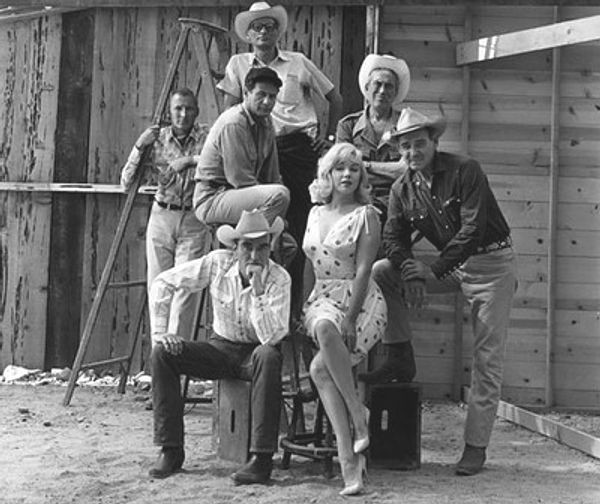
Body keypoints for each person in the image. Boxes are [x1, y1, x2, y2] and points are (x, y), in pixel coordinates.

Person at [371, 107, 518, 476]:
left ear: (435, 142)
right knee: (383, 272)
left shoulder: (466, 170)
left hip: (492, 266)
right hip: (452, 269)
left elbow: (471, 231)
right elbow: (393, 239)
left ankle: (475, 447)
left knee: (487, 358)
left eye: (419, 144)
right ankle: (399, 353)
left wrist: (431, 269)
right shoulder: (402, 188)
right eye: (405, 147)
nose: (412, 153)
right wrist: (414, 275)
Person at [217, 1, 344, 317]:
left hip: (296, 152)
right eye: (257, 26)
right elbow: (229, 113)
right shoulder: (238, 64)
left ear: (278, 31)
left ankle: (293, 316)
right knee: (254, 230)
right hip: (255, 152)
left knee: (299, 233)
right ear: (249, 33)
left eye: (270, 26)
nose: (263, 32)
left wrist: (328, 140)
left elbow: (334, 98)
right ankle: (249, 313)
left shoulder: (298, 62)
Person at [148, 209, 291, 485]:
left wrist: (258, 292)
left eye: (262, 247)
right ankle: (171, 449)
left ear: (270, 247)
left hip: (257, 352)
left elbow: (272, 336)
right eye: (247, 247)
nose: (254, 256)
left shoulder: (279, 278)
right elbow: (163, 282)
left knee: (268, 356)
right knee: (162, 353)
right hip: (221, 348)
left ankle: (261, 460)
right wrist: (161, 333)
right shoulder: (217, 263)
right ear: (234, 248)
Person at [302, 143, 387, 495]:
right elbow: (309, 263)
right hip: (321, 299)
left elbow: (366, 268)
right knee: (322, 324)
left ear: (361, 176)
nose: (348, 174)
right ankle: (357, 414)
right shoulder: (314, 213)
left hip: (361, 301)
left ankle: (350, 465)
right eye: (340, 168)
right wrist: (302, 307)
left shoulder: (367, 215)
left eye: (354, 169)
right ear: (329, 174)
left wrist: (351, 318)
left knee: (320, 370)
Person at [120, 88, 211, 344]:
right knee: (158, 286)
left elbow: (222, 158)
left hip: (194, 217)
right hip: (162, 214)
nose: (183, 114)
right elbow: (126, 183)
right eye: (178, 109)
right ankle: (160, 353)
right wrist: (140, 145)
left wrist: (188, 160)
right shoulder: (157, 139)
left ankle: (177, 357)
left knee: (185, 287)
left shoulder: (206, 135)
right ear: (169, 112)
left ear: (197, 111)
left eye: (189, 109)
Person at [336, 53, 410, 220]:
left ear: (396, 92)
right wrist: (389, 171)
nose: (382, 91)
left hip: (397, 201)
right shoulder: (347, 126)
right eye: (377, 84)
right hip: (355, 199)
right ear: (367, 87)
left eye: (389, 86)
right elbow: (342, 171)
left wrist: (364, 166)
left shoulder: (405, 124)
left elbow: (405, 170)